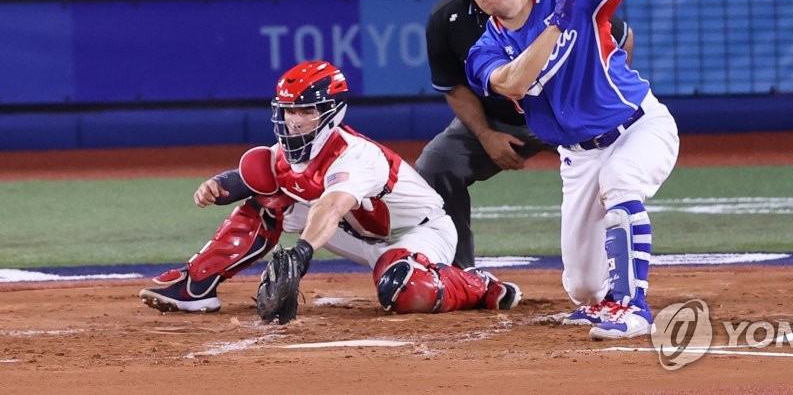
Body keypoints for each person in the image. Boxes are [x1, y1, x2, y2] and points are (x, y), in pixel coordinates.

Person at [459, 0, 756, 339]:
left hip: (638, 127)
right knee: (582, 286)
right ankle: (605, 299)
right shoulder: (484, 48)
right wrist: (557, 25)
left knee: (621, 182)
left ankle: (633, 309)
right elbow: (513, 83)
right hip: (577, 156)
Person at [139, 59, 522, 321]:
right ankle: (197, 282)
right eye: (289, 111)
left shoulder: (357, 156)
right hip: (362, 230)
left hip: (420, 232)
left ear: (332, 112)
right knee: (271, 197)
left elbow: (333, 205)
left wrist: (303, 253)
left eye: (306, 111)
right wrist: (219, 186)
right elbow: (258, 174)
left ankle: (479, 285)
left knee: (404, 290)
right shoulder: (289, 150)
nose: (295, 120)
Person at [417, 0, 634, 269]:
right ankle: (460, 272)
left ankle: (619, 267)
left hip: (568, 113)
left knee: (617, 167)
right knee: (435, 165)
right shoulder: (447, 18)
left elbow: (621, 36)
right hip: (499, 118)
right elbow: (455, 87)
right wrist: (486, 135)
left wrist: (594, 100)